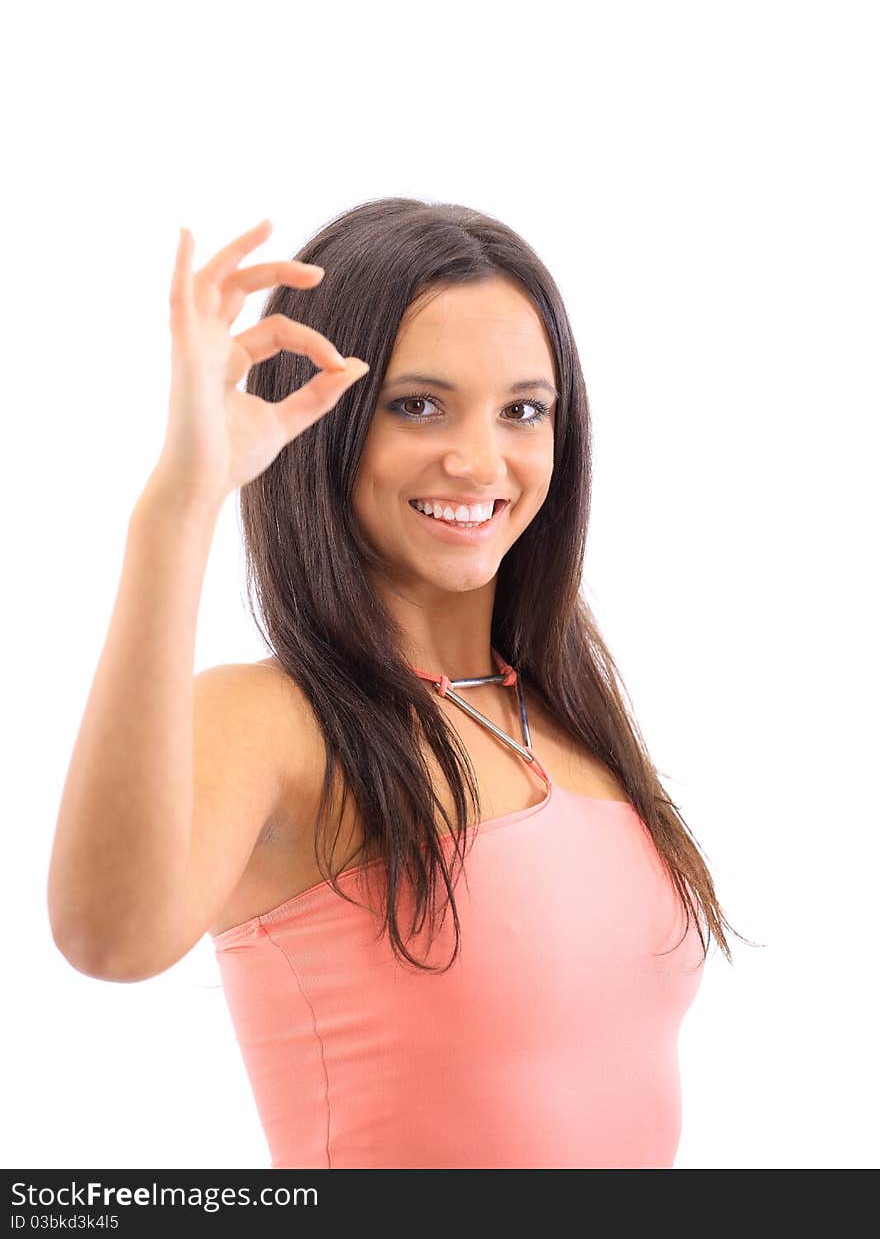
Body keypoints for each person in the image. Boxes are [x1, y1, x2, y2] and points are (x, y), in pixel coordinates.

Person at [48, 198, 746, 1169]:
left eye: (523, 410)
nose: (478, 459)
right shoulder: (276, 723)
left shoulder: (564, 715)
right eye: (417, 404)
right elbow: (107, 938)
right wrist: (180, 505)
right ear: (323, 420)